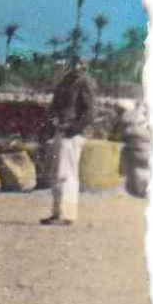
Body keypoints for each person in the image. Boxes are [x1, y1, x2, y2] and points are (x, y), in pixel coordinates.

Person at [43, 57, 95, 227]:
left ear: (83, 66)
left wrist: (74, 129)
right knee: (57, 173)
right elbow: (53, 107)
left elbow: (89, 112)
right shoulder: (65, 83)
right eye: (73, 64)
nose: (75, 67)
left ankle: (67, 215)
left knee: (67, 174)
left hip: (72, 134)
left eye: (79, 64)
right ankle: (57, 213)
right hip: (60, 131)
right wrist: (53, 122)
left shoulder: (84, 83)